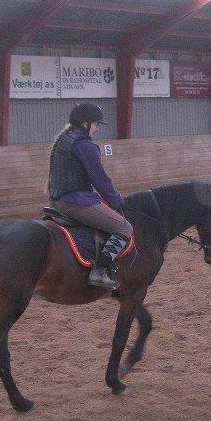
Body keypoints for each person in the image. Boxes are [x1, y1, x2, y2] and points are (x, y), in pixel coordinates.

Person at [46, 103, 133, 289]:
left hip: (57, 200)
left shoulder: (64, 140)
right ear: (85, 123)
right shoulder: (85, 145)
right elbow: (100, 180)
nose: (97, 128)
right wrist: (117, 201)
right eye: (95, 124)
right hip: (75, 202)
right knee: (124, 228)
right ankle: (99, 271)